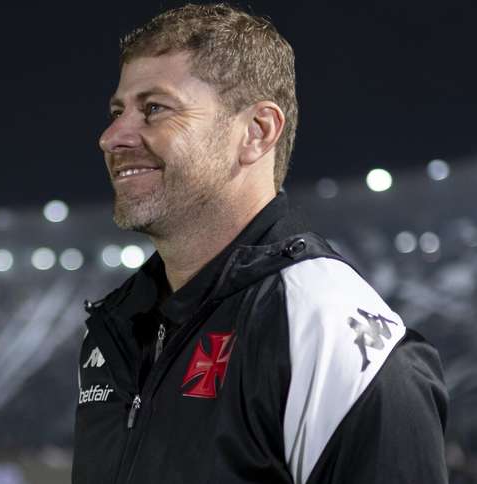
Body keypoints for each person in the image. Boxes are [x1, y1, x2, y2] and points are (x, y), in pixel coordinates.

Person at [72, 4, 448, 484]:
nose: (111, 137)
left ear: (256, 132)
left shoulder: (324, 326)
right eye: (116, 111)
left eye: (154, 109)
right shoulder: (113, 326)